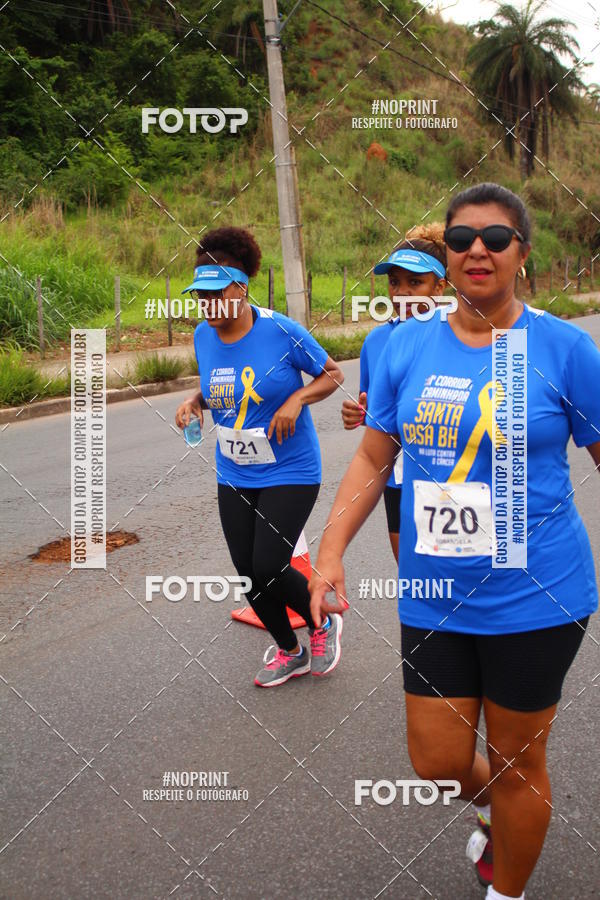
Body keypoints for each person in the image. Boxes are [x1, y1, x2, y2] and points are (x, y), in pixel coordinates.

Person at [309, 183, 600, 899]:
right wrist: (330, 548)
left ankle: (508, 888)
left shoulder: (566, 351)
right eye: (462, 238)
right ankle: (502, 814)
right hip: (435, 590)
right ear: (446, 254)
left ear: (521, 255)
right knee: (436, 759)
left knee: (518, 762)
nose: (478, 249)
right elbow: (376, 457)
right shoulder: (402, 346)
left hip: (538, 593)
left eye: (496, 239)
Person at [175, 226, 344, 687]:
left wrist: (297, 400)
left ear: (240, 287)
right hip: (234, 470)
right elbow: (220, 388)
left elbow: (332, 374)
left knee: (270, 564)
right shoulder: (203, 337)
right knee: (248, 572)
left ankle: (321, 622)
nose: (207, 303)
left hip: (290, 468)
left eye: (215, 292)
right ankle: (289, 651)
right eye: (199, 295)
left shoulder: (279, 330)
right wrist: (195, 401)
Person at [341, 225, 447, 561]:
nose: (401, 293)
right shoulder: (376, 342)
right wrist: (358, 415)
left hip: (453, 477)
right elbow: (374, 413)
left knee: (461, 583)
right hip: (399, 478)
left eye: (415, 283)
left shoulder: (461, 337)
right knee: (414, 579)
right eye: (394, 282)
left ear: (440, 287)